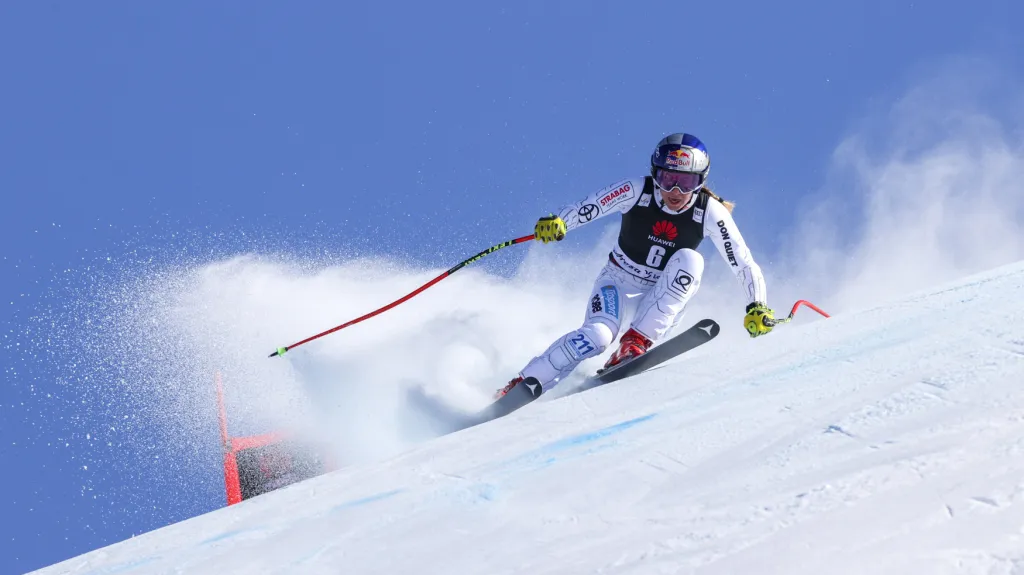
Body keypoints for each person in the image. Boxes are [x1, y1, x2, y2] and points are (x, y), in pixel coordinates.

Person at [498, 133, 775, 400]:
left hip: (662, 298)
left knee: (692, 260)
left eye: (686, 182)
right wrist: (561, 222)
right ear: (655, 174)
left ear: (700, 181)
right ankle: (522, 383)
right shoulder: (636, 190)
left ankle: (635, 342)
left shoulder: (710, 211)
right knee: (596, 337)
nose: (675, 191)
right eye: (667, 179)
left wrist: (757, 305)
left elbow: (743, 262)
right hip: (617, 283)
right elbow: (591, 207)